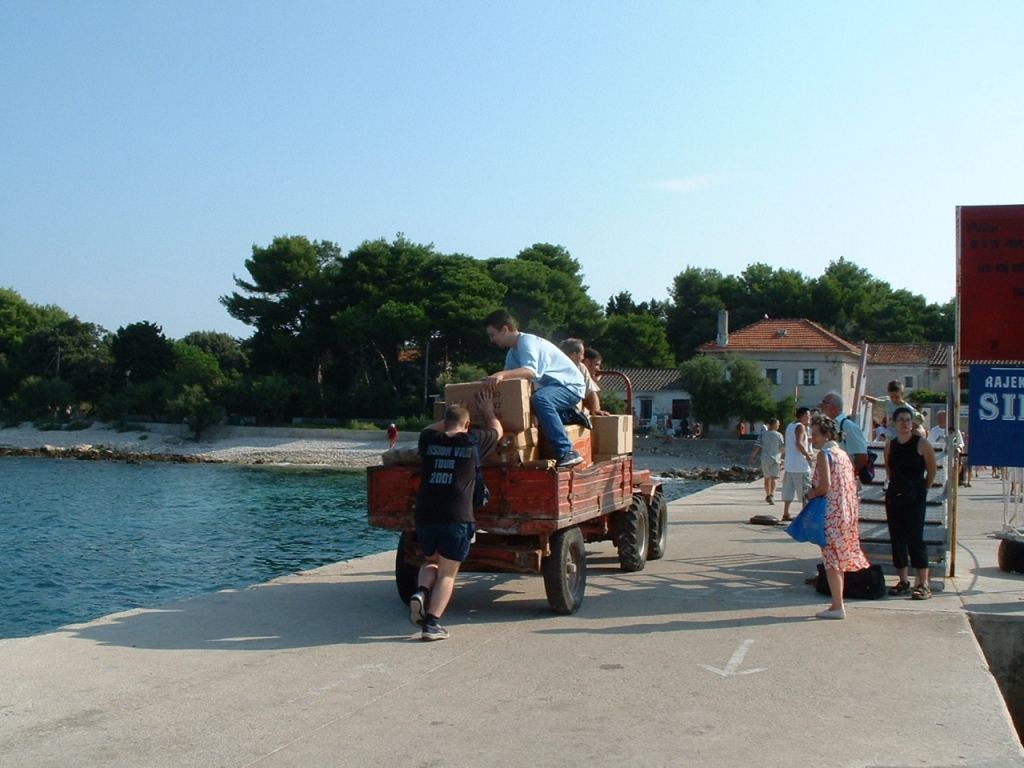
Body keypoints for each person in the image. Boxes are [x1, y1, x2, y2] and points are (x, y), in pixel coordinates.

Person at [408, 391, 502, 640]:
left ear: (445, 422)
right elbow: (498, 430)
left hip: (425, 515)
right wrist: (488, 410)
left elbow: (428, 428)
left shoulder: (428, 438)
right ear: (468, 424)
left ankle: (421, 591)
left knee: (430, 561)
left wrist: (450, 413)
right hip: (457, 517)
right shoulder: (473, 441)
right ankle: (432, 624)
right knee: (448, 573)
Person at [483, 309, 588, 469]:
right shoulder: (513, 353)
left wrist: (501, 375)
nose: (491, 340)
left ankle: (568, 452)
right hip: (552, 387)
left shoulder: (527, 342)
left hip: (570, 386)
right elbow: (510, 383)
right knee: (534, 400)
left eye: (492, 334)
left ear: (505, 329)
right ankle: (564, 415)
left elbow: (530, 372)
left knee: (540, 399)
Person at [807, 413, 871, 619]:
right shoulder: (842, 454)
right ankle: (837, 603)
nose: (812, 438)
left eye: (815, 434)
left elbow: (824, 485)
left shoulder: (824, 455)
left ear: (826, 435)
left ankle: (837, 606)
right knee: (839, 558)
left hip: (830, 512)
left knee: (831, 560)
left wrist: (812, 493)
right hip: (846, 511)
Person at [883, 405, 938, 599]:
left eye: (908, 420)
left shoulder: (922, 444)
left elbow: (932, 470)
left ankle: (923, 584)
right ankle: (903, 581)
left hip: (916, 497)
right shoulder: (890, 446)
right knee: (897, 538)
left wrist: (923, 490)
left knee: (915, 538)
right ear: (894, 423)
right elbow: (889, 471)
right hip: (895, 496)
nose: (904, 423)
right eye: (901, 420)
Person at [819, 391, 869, 478]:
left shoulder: (847, 426)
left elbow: (862, 456)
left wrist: (849, 474)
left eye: (824, 403)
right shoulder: (830, 425)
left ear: (834, 407)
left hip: (844, 477)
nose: (820, 405)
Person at [559, 338, 609, 417]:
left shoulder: (581, 367)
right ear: (574, 354)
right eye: (582, 354)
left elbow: (590, 392)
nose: (582, 358)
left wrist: (596, 411)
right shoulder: (553, 366)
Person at [781, 407, 813, 521]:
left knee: (788, 490)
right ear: (803, 415)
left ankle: (786, 513)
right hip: (800, 465)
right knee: (805, 491)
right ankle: (805, 516)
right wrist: (808, 456)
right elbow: (799, 443)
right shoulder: (801, 427)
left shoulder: (790, 426)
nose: (809, 417)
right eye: (808, 415)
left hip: (790, 464)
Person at [749, 418, 784, 505]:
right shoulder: (779, 435)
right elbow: (783, 447)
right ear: (774, 425)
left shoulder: (762, 434)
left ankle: (768, 494)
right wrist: (780, 456)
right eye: (778, 425)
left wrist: (753, 457)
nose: (778, 426)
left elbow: (758, 446)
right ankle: (772, 495)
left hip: (765, 459)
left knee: (767, 478)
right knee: (774, 478)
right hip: (775, 459)